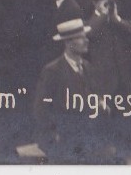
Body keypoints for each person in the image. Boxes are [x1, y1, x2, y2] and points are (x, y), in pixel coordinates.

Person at [33, 18, 106, 164]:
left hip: (90, 142)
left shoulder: (87, 67)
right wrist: (54, 139)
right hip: (65, 145)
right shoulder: (52, 71)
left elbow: (96, 97)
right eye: (80, 38)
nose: (86, 41)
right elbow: (41, 109)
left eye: (85, 37)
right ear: (67, 42)